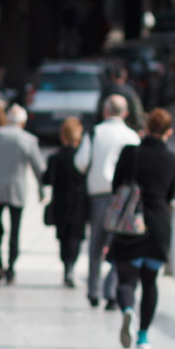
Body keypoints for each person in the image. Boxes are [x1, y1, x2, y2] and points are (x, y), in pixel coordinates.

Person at [108, 108, 175, 349]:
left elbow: (117, 185)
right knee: (150, 282)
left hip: (130, 225)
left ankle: (128, 310)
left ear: (146, 128)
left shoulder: (131, 153)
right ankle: (143, 336)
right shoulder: (173, 160)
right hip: (159, 226)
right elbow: (170, 195)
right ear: (169, 132)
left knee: (126, 279)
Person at [75, 94, 141, 310]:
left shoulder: (94, 133)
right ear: (125, 112)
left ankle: (93, 290)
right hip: (123, 198)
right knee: (117, 246)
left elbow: (81, 162)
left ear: (105, 111)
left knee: (95, 246)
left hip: (97, 195)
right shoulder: (131, 136)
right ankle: (110, 291)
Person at [0, 104, 45, 285]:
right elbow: (39, 168)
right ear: (22, 122)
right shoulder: (28, 139)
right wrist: (41, 188)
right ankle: (11, 267)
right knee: (15, 230)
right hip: (17, 189)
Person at [43, 117, 88, 288]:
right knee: (75, 237)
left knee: (63, 237)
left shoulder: (55, 157)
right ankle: (71, 266)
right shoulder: (82, 157)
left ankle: (66, 266)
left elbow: (47, 179)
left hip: (60, 202)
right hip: (78, 202)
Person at [99, 63, 147, 132]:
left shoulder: (106, 91)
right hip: (126, 128)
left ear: (112, 76)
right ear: (125, 77)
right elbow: (137, 113)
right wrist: (139, 128)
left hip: (106, 129)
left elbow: (99, 111)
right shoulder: (130, 92)